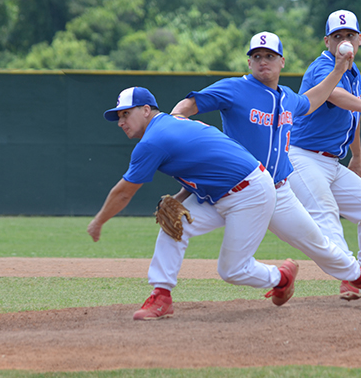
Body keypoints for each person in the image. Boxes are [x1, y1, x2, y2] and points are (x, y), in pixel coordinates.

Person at [170, 31, 361, 301]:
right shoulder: (236, 88)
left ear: (282, 62)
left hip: (282, 187)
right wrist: (177, 119)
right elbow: (187, 107)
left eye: (270, 56)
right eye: (257, 56)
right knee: (176, 228)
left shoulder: (290, 97)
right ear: (249, 62)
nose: (263, 61)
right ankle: (161, 292)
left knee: (327, 238)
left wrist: (340, 70)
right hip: (243, 186)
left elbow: (315, 99)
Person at [87, 86, 300, 320]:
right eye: (119, 116)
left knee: (232, 270)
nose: (121, 122)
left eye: (126, 114)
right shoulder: (172, 124)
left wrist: (98, 222)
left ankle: (281, 278)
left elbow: (123, 193)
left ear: (146, 110)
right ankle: (161, 296)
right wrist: (179, 198)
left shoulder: (153, 140)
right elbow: (204, 165)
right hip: (221, 193)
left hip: (250, 193)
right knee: (173, 224)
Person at [288, 9, 361, 300]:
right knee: (326, 216)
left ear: (359, 40)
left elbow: (351, 115)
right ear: (327, 42)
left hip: (331, 162)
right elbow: (335, 96)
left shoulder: (354, 73)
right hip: (302, 157)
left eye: (349, 35)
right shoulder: (323, 67)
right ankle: (354, 277)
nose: (343, 41)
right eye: (337, 36)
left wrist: (356, 158)